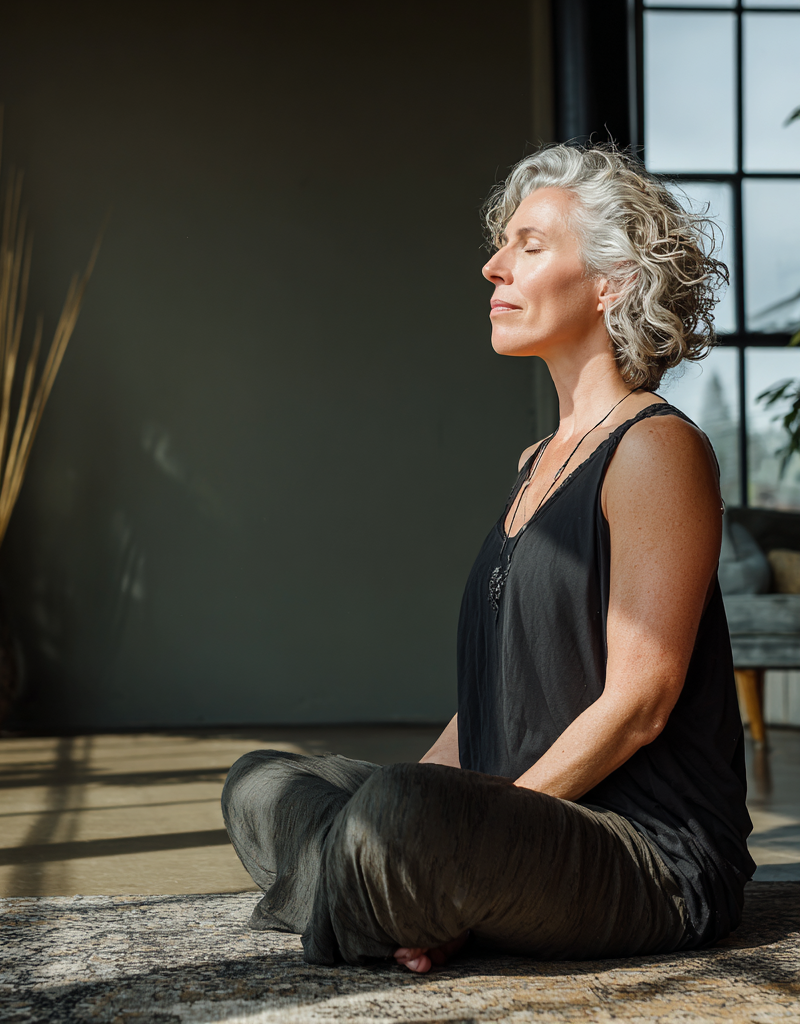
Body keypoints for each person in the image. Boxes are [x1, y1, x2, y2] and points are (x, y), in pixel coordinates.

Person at [221, 144, 755, 973]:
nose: (493, 266)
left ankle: (389, 894)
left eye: (529, 246)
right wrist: (442, 814)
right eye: (503, 244)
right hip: (514, 817)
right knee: (264, 784)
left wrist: (474, 827)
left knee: (398, 817)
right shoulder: (535, 460)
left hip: (644, 854)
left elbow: (642, 702)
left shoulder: (657, 449)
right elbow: (492, 701)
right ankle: (402, 893)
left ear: (611, 281)